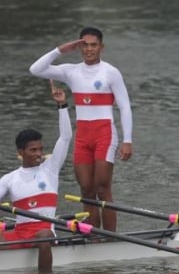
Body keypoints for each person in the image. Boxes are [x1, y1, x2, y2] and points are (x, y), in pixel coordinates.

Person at [29, 26, 133, 232]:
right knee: (86, 189)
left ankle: (110, 237)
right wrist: (60, 50)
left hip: (105, 133)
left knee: (103, 188)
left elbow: (125, 106)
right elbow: (35, 69)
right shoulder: (70, 71)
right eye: (84, 45)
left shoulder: (111, 72)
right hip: (83, 136)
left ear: (101, 47)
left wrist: (127, 140)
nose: (89, 49)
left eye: (93, 45)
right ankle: (92, 236)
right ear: (79, 47)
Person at [0, 81, 72, 272]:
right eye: (33, 150)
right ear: (21, 152)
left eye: (40, 149)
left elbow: (65, 138)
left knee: (45, 233)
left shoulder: (51, 169)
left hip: (45, 233)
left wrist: (62, 106)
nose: (39, 154)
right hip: (20, 233)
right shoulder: (10, 178)